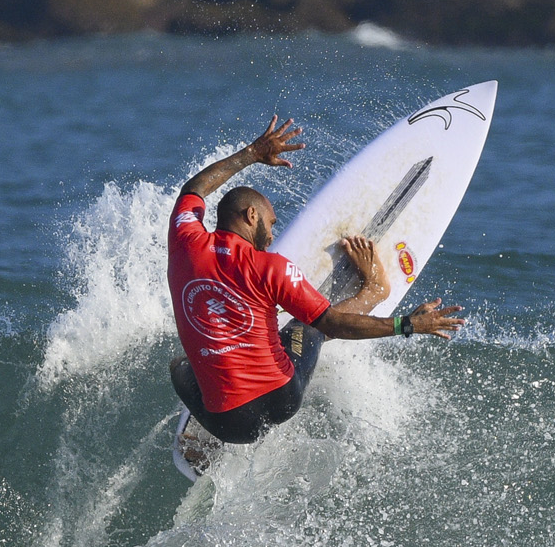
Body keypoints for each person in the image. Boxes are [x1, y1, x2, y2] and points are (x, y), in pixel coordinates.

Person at [168, 114, 464, 446]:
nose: (272, 234)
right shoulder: (270, 267)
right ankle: (375, 291)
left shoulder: (183, 241)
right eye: (270, 221)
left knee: (180, 367)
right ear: (251, 216)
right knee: (307, 327)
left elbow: (193, 189)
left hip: (231, 426)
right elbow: (333, 325)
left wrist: (250, 153)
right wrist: (409, 324)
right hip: (281, 397)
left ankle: (202, 441)